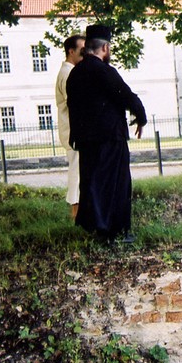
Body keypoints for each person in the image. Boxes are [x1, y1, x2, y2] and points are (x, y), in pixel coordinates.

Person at [66, 24, 147, 242]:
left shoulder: (75, 74)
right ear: (105, 48)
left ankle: (95, 228)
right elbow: (127, 96)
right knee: (116, 185)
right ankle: (115, 231)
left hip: (85, 141)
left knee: (92, 184)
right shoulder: (103, 71)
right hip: (110, 138)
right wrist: (141, 117)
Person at [55, 34, 85, 220]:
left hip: (73, 131)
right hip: (73, 131)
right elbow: (75, 103)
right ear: (71, 51)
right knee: (77, 171)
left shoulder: (69, 72)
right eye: (82, 50)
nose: (85, 53)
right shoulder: (68, 74)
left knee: (79, 170)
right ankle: (76, 213)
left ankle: (79, 212)